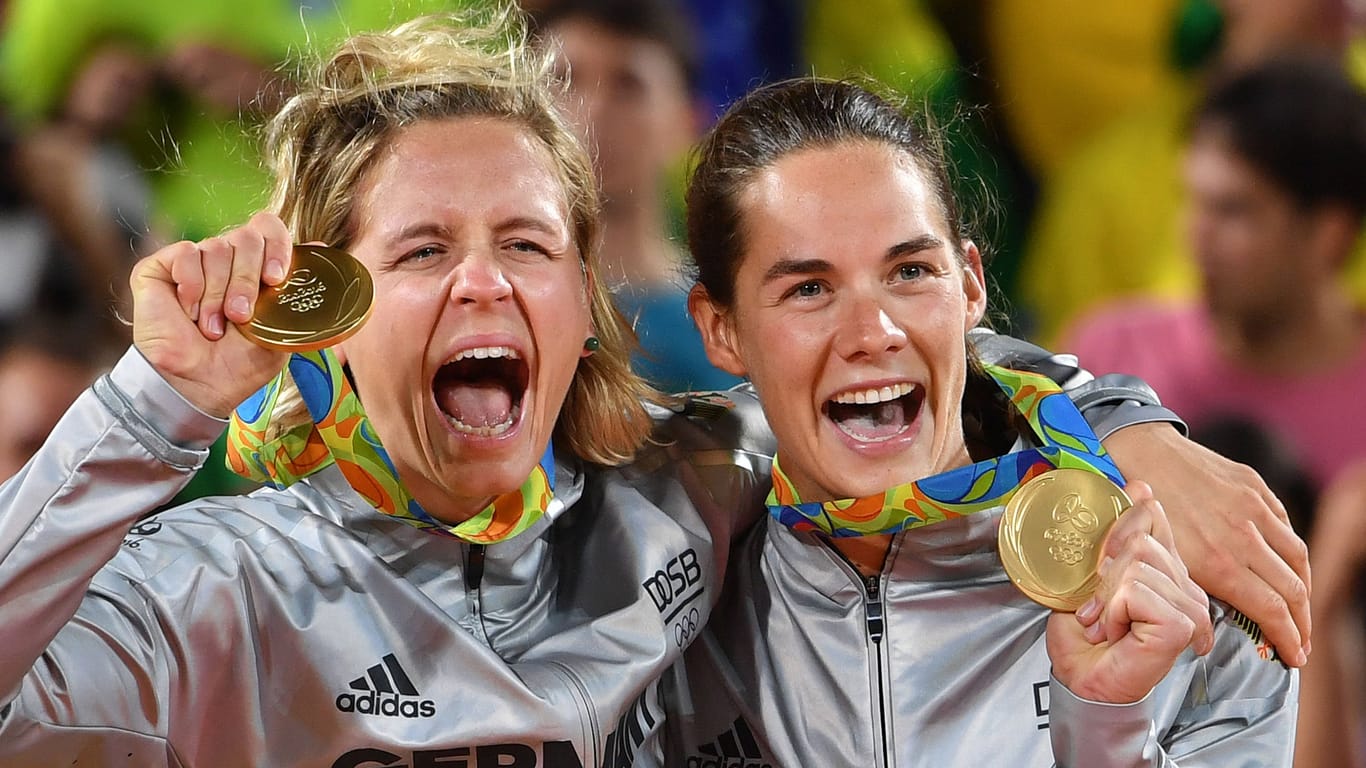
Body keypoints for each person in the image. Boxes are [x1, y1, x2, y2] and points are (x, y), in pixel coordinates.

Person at [0, 8, 1311, 767]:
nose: (485, 287)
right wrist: (147, 405)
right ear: (326, 311)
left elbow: (883, 363)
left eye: (526, 246)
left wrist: (1119, 430)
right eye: (421, 251)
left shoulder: (682, 496)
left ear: (586, 305)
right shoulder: (219, 584)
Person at [653, 77, 1297, 765]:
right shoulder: (667, 595)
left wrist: (1108, 731)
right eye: (809, 289)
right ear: (719, 330)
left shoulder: (1193, 575)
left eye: (909, 272)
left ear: (969, 286)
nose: (873, 332)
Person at [1065, 56, 1366, 490]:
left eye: (1232, 210)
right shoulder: (1106, 360)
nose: (1196, 234)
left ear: (1328, 235)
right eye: (1192, 200)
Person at [534, 0, 741, 393]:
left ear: (688, 122)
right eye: (563, 80)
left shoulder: (732, 317)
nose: (592, 111)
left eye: (627, 85)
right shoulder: (488, 298)